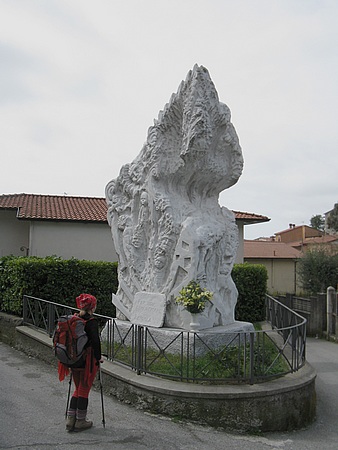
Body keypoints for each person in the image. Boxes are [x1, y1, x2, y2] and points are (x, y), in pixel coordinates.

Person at [58, 293, 103, 432]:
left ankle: (70, 419)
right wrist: (98, 357)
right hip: (87, 360)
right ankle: (80, 421)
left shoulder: (75, 318)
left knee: (78, 388)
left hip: (73, 359)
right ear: (92, 307)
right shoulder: (91, 322)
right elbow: (95, 341)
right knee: (84, 388)